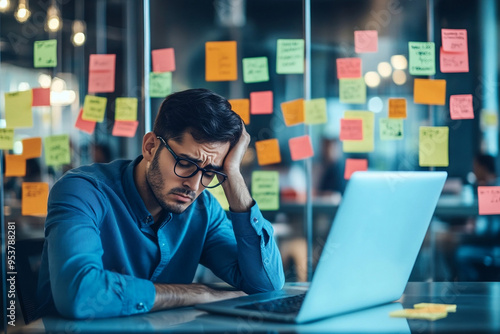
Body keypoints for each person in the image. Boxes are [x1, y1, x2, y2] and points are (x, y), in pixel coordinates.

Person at [37, 88, 285, 319]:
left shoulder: (203, 210)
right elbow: (79, 293)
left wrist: (234, 175)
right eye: (185, 163)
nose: (195, 186)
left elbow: (266, 284)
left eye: (210, 172)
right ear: (150, 147)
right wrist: (192, 294)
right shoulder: (83, 191)